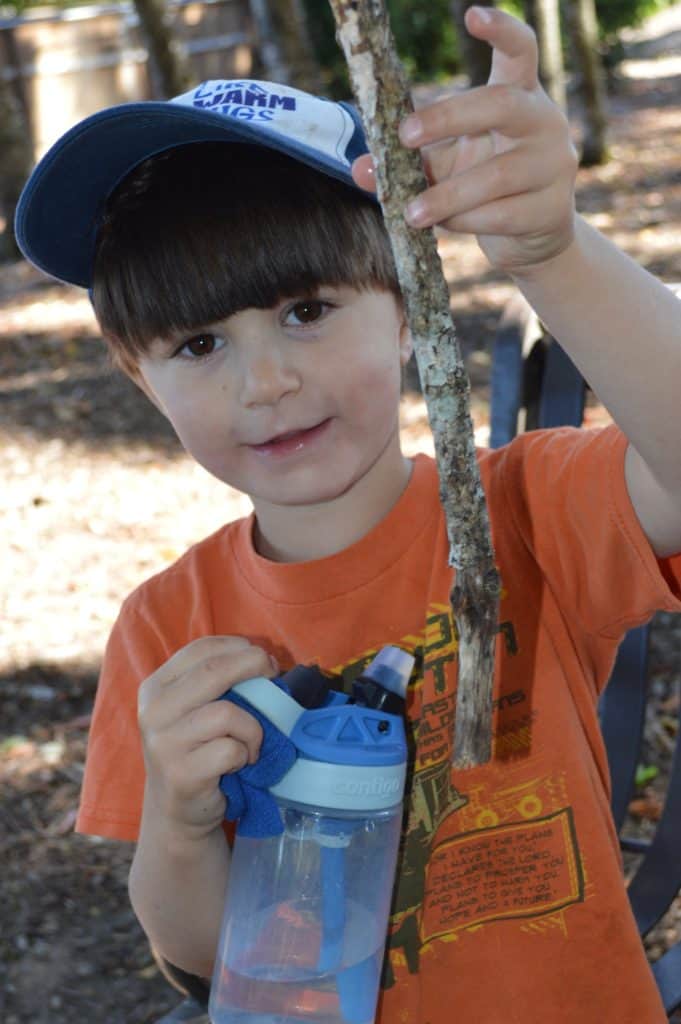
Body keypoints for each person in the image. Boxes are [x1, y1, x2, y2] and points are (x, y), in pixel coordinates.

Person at [16, 6, 681, 1022]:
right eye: (199, 345)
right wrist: (183, 821)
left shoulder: (527, 514)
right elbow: (192, 956)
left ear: (408, 309)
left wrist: (555, 252)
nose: (267, 381)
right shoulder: (166, 630)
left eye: (306, 311)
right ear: (141, 381)